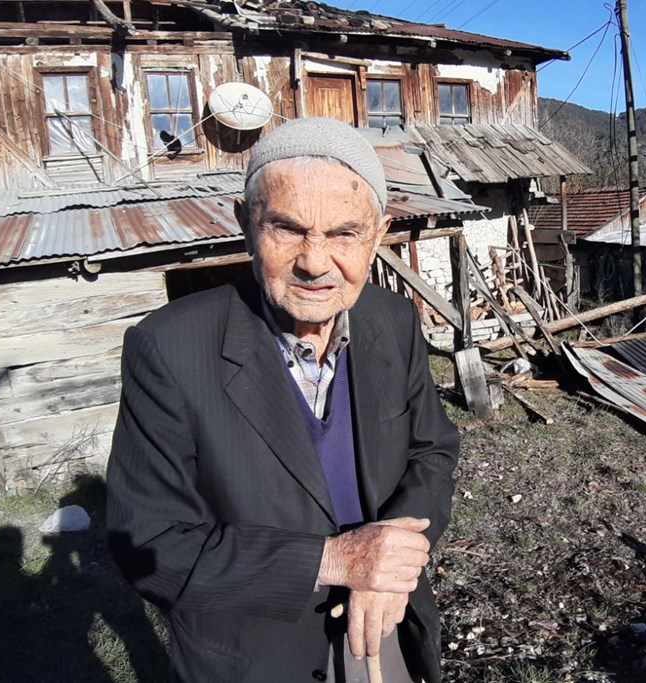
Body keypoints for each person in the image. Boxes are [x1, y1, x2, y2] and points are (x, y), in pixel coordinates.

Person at [106, 117, 460, 683]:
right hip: (253, 656)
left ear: (379, 232)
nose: (315, 262)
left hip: (384, 628)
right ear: (246, 224)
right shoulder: (170, 349)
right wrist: (337, 560)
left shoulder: (392, 321)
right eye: (288, 229)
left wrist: (390, 555)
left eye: (344, 233)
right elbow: (149, 543)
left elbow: (433, 451)